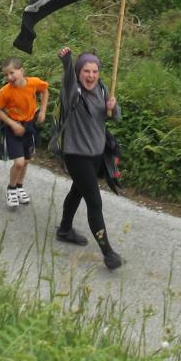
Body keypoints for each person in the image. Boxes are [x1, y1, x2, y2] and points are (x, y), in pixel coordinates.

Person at [54, 46, 123, 270]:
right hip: (77, 155)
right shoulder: (73, 92)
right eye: (86, 71)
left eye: (94, 71)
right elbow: (68, 81)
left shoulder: (102, 89)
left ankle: (65, 229)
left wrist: (113, 107)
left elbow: (115, 118)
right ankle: (108, 253)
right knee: (94, 202)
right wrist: (67, 62)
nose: (91, 76)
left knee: (77, 191)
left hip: (96, 154)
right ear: (78, 73)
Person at [0, 56, 49, 210]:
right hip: (13, 129)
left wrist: (43, 110)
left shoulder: (34, 83)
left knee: (27, 161)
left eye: (12, 73)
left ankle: (19, 186)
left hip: (29, 127)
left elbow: (45, 90)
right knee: (19, 162)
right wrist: (12, 124)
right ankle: (11, 189)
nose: (9, 77)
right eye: (6, 75)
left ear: (22, 71)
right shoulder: (5, 91)